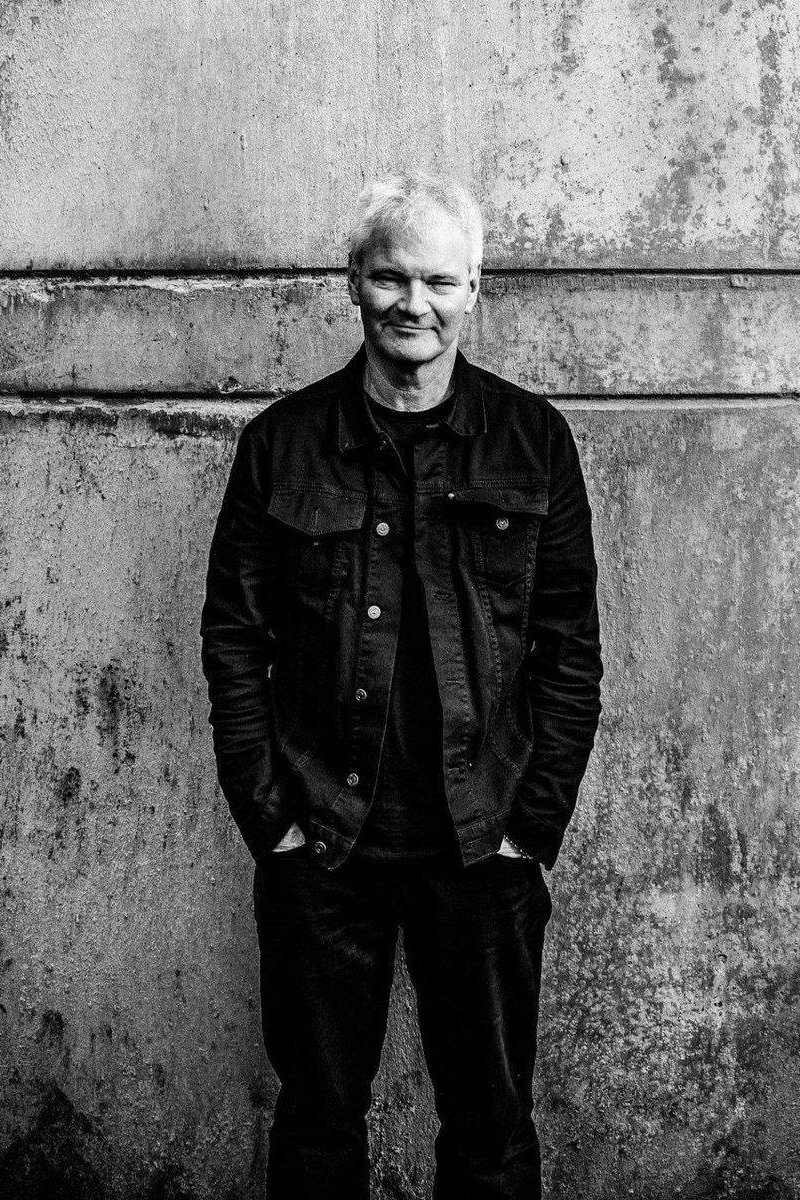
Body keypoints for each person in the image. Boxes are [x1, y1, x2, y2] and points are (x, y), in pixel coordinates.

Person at [200, 172, 602, 1200]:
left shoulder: (533, 441)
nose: (412, 303)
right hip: (324, 846)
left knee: (491, 1136)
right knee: (318, 1129)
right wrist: (272, 821)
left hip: (484, 844)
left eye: (439, 281)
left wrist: (530, 826)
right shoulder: (282, 445)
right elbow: (234, 642)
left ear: (473, 289)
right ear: (353, 281)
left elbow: (569, 650)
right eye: (389, 278)